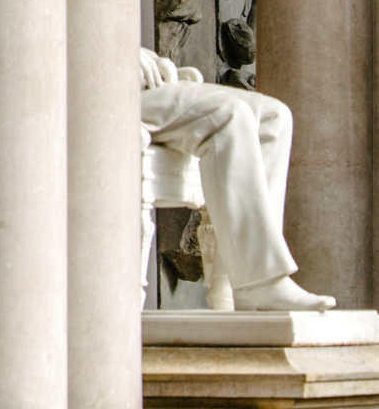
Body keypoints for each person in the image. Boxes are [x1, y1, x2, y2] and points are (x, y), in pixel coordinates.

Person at [138, 49, 332, 315]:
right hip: (90, 86)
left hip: (133, 79)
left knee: (274, 117)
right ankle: (261, 280)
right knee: (227, 112)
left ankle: (231, 288)